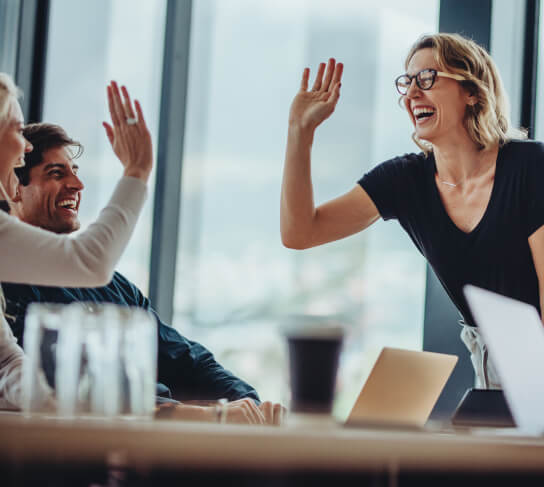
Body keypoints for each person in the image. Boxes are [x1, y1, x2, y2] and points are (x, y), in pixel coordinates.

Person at [281, 33, 542, 390]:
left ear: (472, 92)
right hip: (492, 372)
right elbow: (300, 233)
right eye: (407, 83)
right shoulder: (404, 181)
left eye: (428, 79)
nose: (412, 94)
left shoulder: (531, 167)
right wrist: (300, 132)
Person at [3, 122, 283, 425]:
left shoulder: (113, 284)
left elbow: (184, 358)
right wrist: (197, 415)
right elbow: (72, 391)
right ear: (14, 188)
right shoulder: (10, 286)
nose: (77, 184)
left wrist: (248, 403)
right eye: (57, 174)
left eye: (75, 170)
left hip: (159, 437)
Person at [0, 73, 152, 409]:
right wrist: (137, 171)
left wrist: (63, 410)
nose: (25, 145)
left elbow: (6, 364)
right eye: (15, 128)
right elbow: (90, 261)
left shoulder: (122, 290)